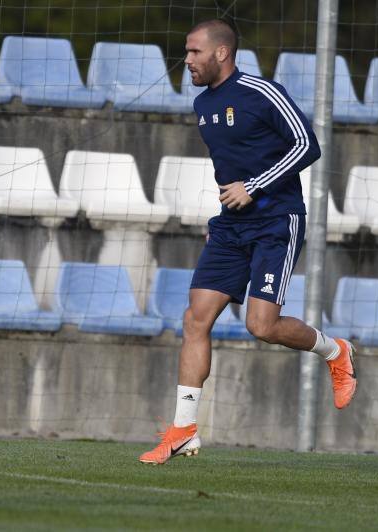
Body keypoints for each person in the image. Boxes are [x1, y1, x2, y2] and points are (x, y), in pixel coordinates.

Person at [139, 20, 357, 465]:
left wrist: (254, 187)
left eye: (195, 51)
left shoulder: (262, 92)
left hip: (277, 222)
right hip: (231, 226)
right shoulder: (202, 105)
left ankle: (336, 351)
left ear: (222, 53)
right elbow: (230, 166)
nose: (188, 60)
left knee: (262, 325)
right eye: (186, 51)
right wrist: (222, 213)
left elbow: (307, 145)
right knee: (195, 318)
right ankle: (183, 430)